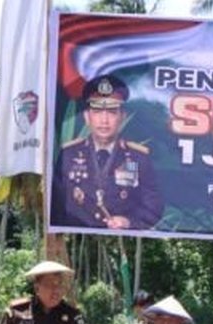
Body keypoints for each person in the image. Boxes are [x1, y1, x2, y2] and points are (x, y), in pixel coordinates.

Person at [49, 75, 164, 230]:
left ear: (122, 117)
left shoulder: (138, 158)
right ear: (87, 117)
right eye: (97, 112)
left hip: (121, 239)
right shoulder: (68, 155)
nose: (104, 120)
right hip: (77, 238)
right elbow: (55, 205)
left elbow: (153, 207)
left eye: (111, 112)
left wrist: (128, 222)